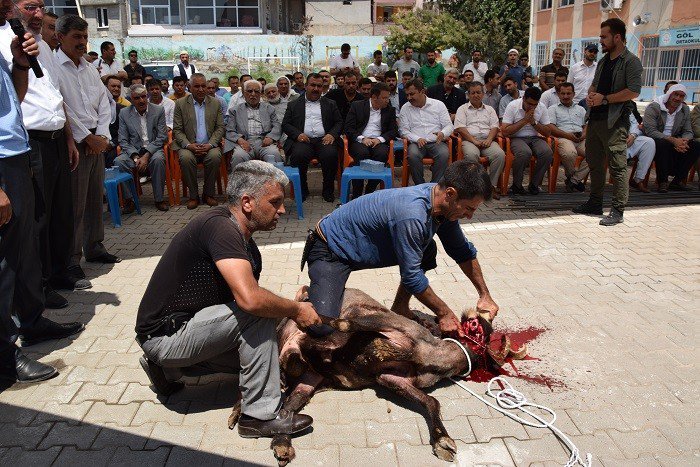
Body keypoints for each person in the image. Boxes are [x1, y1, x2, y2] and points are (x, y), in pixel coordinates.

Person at [135, 161, 319, 437]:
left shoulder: (241, 236)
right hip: (166, 335)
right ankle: (258, 416)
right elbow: (250, 302)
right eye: (275, 201)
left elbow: (244, 301)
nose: (282, 209)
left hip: (183, 330)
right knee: (258, 313)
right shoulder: (220, 229)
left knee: (266, 358)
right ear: (247, 202)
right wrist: (295, 309)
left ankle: (167, 370)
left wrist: (289, 306)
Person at [302, 161, 498, 337]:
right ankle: (306, 296)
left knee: (426, 249)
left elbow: (462, 251)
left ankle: (401, 306)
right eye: (469, 208)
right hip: (330, 250)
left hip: (361, 245)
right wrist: (444, 313)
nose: (470, 216)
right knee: (321, 327)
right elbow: (412, 276)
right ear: (450, 194)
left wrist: (485, 295)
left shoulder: (443, 205)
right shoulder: (412, 214)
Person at [0, 2, 85, 384]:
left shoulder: (14, 38)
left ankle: (30, 322)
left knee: (21, 248)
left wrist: (19, 65)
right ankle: (5, 355)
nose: (38, 11)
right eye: (28, 3)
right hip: (6, 161)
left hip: (16, 152)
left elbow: (13, 102)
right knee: (4, 258)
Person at [55, 15, 122, 283]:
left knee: (95, 198)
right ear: (61, 37)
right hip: (76, 145)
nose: (82, 43)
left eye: (85, 37)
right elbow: (62, 107)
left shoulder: (90, 68)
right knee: (75, 204)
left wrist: (103, 135)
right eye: (77, 37)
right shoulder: (54, 67)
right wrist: (86, 137)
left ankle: (95, 247)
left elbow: (105, 103)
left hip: (97, 143)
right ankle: (72, 260)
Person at [573, 18, 643, 226]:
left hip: (615, 122)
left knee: (618, 166)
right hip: (595, 119)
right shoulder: (603, 61)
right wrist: (591, 94)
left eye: (604, 37)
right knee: (595, 163)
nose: (601, 41)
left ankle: (617, 210)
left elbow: (634, 91)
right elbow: (595, 85)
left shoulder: (631, 62)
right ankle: (595, 203)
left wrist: (604, 99)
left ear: (617, 37)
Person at [282, 73, 343, 202]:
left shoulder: (330, 103)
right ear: (306, 86)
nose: (316, 89)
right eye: (313, 85)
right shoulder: (293, 104)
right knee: (298, 155)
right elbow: (286, 124)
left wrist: (331, 134)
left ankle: (328, 190)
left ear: (322, 88)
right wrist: (297, 134)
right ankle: (302, 190)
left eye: (319, 86)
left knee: (331, 155)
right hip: (304, 140)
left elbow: (339, 122)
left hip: (324, 139)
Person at [173, 73, 225, 209]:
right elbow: (177, 130)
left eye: (204, 86)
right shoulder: (180, 104)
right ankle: (194, 196)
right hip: (189, 145)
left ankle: (208, 194)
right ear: (189, 87)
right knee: (185, 158)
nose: (201, 89)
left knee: (214, 156)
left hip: (210, 145)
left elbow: (220, 128)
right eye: (197, 86)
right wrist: (189, 145)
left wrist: (210, 144)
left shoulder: (215, 103)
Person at [115, 84, 169, 212]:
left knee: (158, 160)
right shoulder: (124, 113)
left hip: (153, 150)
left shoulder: (158, 110)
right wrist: (134, 156)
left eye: (144, 97)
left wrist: (146, 155)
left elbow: (162, 137)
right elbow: (122, 140)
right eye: (137, 98)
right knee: (119, 162)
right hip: (133, 151)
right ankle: (129, 200)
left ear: (147, 96)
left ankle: (159, 199)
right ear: (131, 99)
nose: (142, 100)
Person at [344, 82, 398, 199]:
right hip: (360, 140)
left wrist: (380, 139)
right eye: (384, 98)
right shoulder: (357, 106)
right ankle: (357, 194)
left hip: (378, 141)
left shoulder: (389, 110)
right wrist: (362, 139)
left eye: (388, 97)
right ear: (374, 97)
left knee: (382, 154)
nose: (387, 100)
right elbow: (348, 128)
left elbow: (393, 131)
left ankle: (369, 191)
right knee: (362, 154)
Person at [643, 84, 698, 192]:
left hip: (676, 140)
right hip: (656, 138)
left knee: (696, 145)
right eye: (675, 94)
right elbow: (651, 131)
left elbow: (688, 131)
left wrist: (684, 141)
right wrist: (673, 140)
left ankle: (677, 181)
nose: (678, 98)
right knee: (663, 144)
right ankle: (662, 181)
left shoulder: (684, 109)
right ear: (669, 94)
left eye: (681, 96)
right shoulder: (654, 107)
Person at [454, 82, 505, 199]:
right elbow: (460, 128)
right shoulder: (462, 109)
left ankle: (490, 188)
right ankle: (476, 188)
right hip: (469, 140)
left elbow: (494, 126)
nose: (476, 95)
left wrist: (489, 139)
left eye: (478, 92)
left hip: (488, 140)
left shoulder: (490, 109)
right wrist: (474, 140)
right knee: (471, 156)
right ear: (468, 95)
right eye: (473, 93)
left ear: (483, 94)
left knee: (500, 154)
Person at [399, 78, 454, 185]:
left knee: (444, 153)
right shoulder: (405, 108)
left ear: (422, 92)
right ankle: (420, 186)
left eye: (412, 94)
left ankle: (434, 186)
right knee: (412, 154)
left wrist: (442, 133)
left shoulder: (438, 105)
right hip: (416, 143)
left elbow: (449, 125)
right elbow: (403, 130)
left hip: (436, 142)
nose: (409, 98)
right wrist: (417, 138)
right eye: (407, 95)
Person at [501, 87, 553, 195]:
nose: (532, 107)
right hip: (516, 137)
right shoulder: (513, 106)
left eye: (535, 104)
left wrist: (533, 122)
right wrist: (524, 121)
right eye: (529, 104)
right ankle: (517, 185)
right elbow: (505, 131)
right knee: (524, 153)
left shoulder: (541, 107)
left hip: (534, 137)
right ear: (523, 98)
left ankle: (534, 184)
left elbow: (548, 132)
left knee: (547, 152)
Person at [225, 80, 283, 169]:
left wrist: (270, 137)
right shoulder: (235, 110)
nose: (253, 94)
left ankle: (275, 183)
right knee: (238, 156)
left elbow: (277, 126)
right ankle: (241, 183)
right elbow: (229, 130)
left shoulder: (269, 108)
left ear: (261, 94)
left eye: (256, 91)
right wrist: (240, 140)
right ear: (244, 94)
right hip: (245, 142)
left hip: (264, 142)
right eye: (249, 91)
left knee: (274, 154)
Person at [547, 82, 589, 192]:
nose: (565, 96)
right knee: (570, 153)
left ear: (574, 94)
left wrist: (584, 135)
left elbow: (587, 126)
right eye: (563, 93)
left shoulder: (581, 109)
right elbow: (551, 127)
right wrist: (568, 135)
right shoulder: (553, 109)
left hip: (580, 138)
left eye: (568, 93)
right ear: (558, 94)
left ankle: (573, 180)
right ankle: (574, 179)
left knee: (596, 153)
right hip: (563, 137)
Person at [626, 111, 654, 193]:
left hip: (628, 138)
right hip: (610, 139)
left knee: (648, 142)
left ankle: (638, 180)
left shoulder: (625, 106)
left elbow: (634, 124)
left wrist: (633, 135)